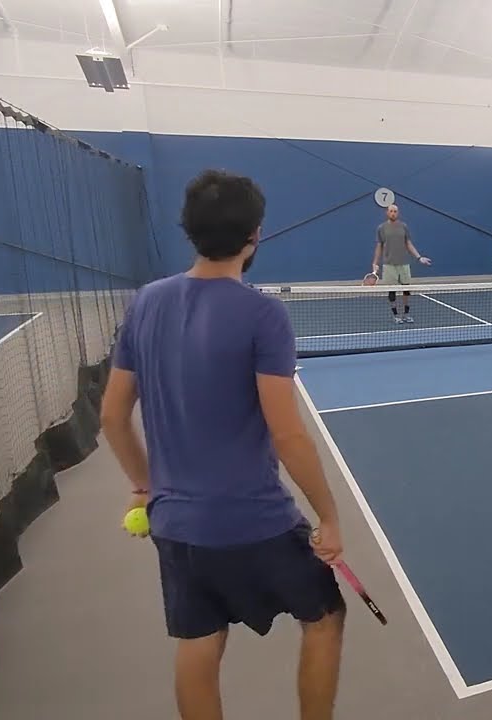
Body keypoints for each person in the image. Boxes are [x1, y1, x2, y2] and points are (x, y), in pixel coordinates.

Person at [100, 169, 348, 719]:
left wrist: (146, 487)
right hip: (252, 521)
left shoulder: (145, 303)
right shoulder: (263, 314)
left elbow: (113, 416)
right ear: (255, 234)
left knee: (199, 642)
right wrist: (328, 517)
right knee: (326, 616)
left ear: (189, 230)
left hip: (175, 526)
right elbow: (286, 433)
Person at [371, 204, 432, 322]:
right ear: (387, 213)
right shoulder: (381, 228)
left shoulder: (404, 227)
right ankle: (396, 316)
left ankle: (406, 314)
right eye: (391, 211)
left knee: (406, 290)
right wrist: (375, 262)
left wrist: (419, 257)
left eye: (395, 211)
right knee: (391, 291)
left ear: (398, 213)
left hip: (403, 264)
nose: (393, 213)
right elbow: (379, 246)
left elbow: (408, 244)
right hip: (389, 264)